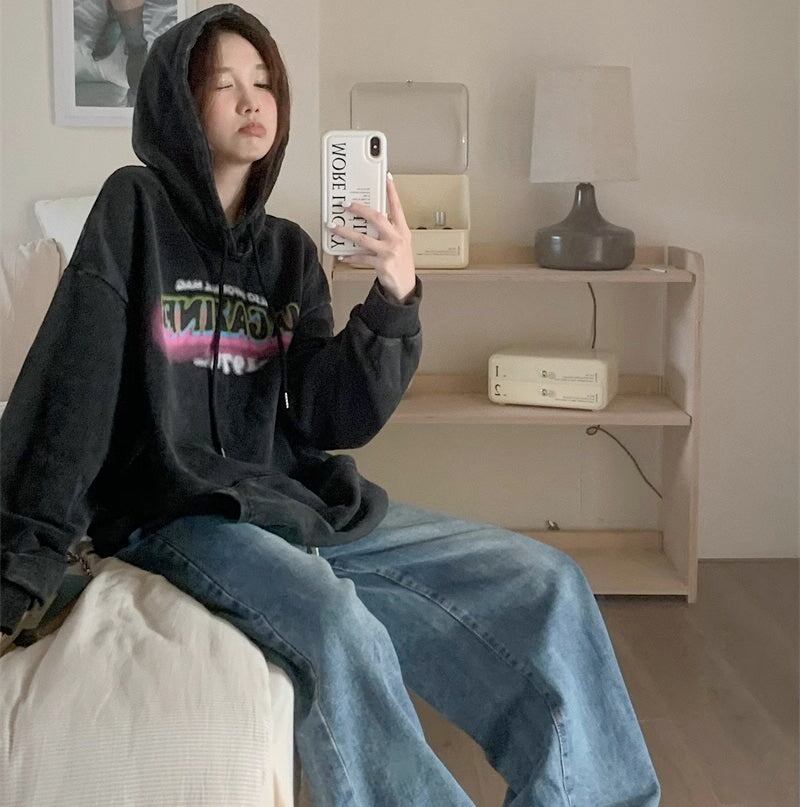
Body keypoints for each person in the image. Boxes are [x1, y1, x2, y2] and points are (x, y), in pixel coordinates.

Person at [0, 4, 661, 805]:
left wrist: (395, 295)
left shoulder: (290, 252)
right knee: (337, 626)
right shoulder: (131, 208)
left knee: (546, 580)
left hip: (297, 503)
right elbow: (73, 385)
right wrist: (19, 570)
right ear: (179, 103)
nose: (252, 99)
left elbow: (327, 416)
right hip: (179, 515)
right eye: (224, 83)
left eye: (264, 81)